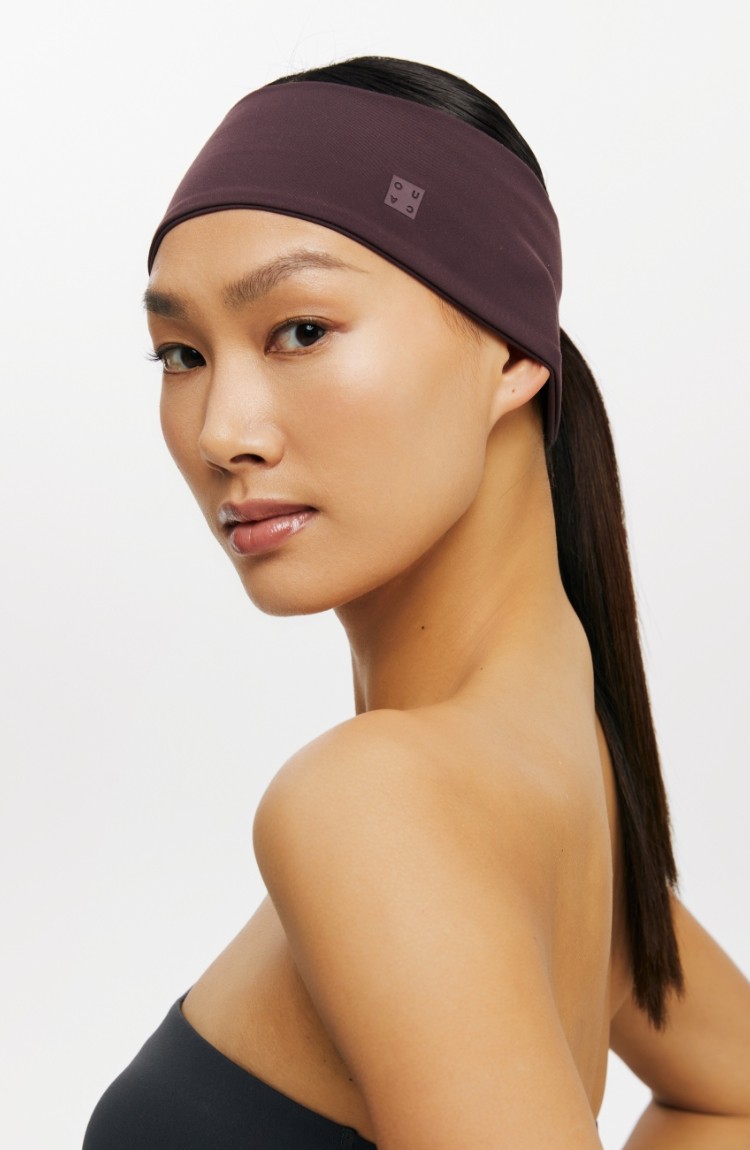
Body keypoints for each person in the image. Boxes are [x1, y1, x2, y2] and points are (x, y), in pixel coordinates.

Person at [83, 56, 750, 1149]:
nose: (221, 431)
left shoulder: (380, 805)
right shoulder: (551, 790)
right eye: (181, 353)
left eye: (301, 330)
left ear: (510, 353)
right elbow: (732, 1092)